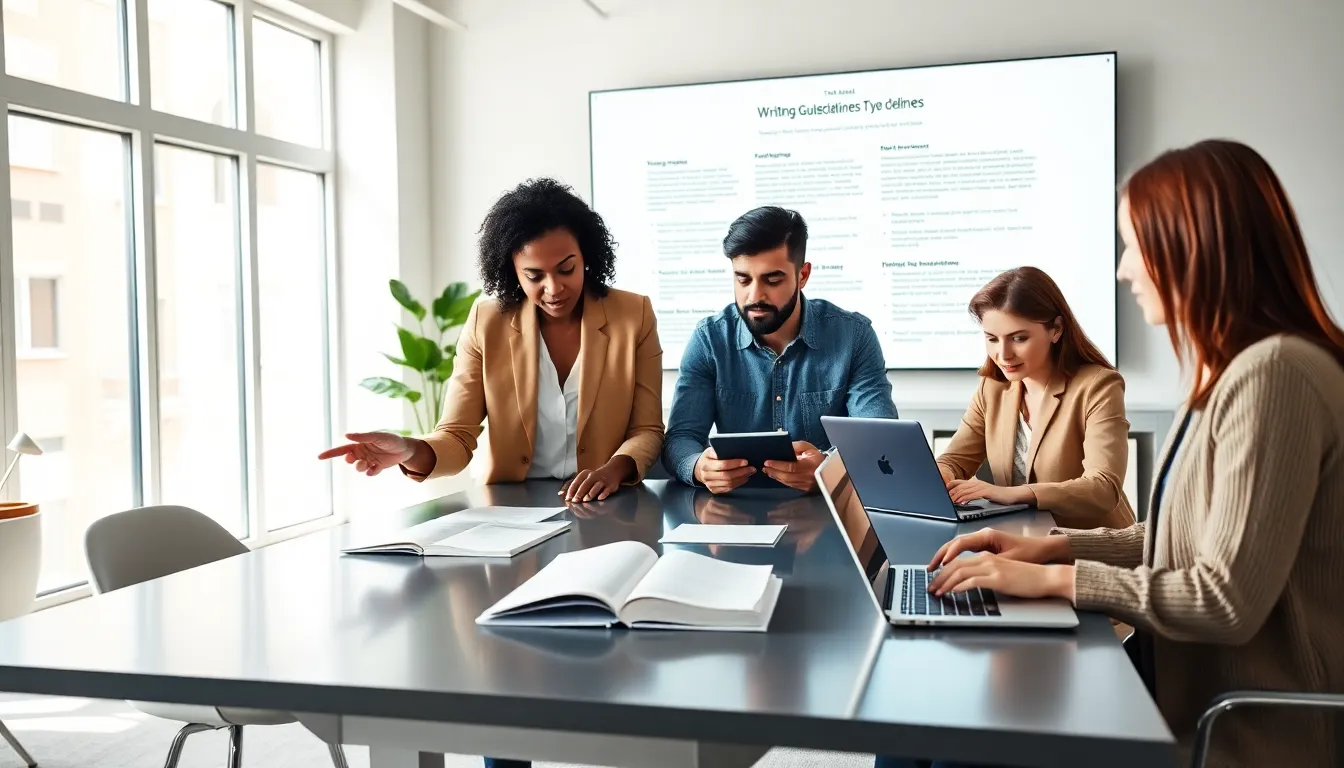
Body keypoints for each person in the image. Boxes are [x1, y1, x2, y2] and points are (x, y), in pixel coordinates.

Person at [919, 139, 1344, 767]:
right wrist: (1053, 546)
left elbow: (1223, 597)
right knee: (940, 730)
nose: (1123, 270)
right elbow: (1184, 538)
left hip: (1238, 721)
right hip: (1176, 676)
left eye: (1134, 247)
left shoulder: (1273, 375)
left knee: (965, 737)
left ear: (1195, 248)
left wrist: (1055, 579)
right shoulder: (1232, 374)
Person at [319, 177, 665, 502]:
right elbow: (456, 436)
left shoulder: (633, 315)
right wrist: (409, 450)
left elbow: (647, 429)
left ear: (586, 257)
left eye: (566, 268)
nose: (554, 288)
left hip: (607, 501)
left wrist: (612, 471)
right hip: (510, 508)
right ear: (511, 271)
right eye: (534, 276)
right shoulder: (487, 321)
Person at [661, 206, 898, 494]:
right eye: (743, 279)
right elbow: (680, 439)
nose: (754, 296)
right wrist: (699, 466)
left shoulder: (854, 337)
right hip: (732, 515)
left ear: (803, 275)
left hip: (827, 514)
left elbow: (880, 441)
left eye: (772, 280)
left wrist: (828, 468)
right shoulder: (709, 339)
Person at [935, 267, 1135, 529]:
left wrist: (1012, 493)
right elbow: (954, 460)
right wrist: (942, 476)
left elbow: (1103, 488)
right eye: (992, 339)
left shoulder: (1098, 385)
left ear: (1056, 330)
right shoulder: (992, 388)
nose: (1003, 354)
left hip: (1090, 550)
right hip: (1022, 542)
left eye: (1018, 338)